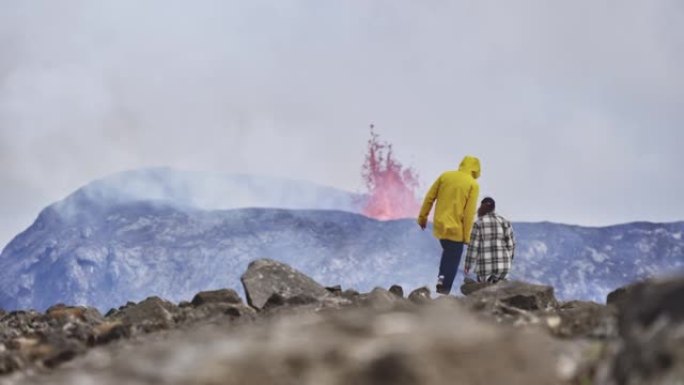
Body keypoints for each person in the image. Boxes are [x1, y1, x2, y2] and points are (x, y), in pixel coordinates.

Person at [417, 155, 481, 294]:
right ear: (475, 170)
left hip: (440, 227)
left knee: (447, 255)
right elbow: (469, 213)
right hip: (456, 230)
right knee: (452, 261)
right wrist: (466, 237)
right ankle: (444, 289)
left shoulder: (445, 176)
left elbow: (430, 197)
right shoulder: (473, 185)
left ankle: (441, 279)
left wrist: (422, 217)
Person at [464, 197, 516, 283]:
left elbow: (473, 247)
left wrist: (468, 265)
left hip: (484, 266)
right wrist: (508, 259)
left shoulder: (478, 223)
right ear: (494, 208)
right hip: (503, 266)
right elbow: (511, 244)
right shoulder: (504, 222)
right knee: (501, 290)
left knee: (484, 290)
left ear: (481, 207)